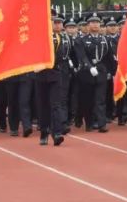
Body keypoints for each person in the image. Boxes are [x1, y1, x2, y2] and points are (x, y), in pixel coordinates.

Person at [34, 10, 72, 146]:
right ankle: (44, 132)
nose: (53, 23)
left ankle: (56, 133)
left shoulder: (59, 38)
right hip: (40, 76)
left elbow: (60, 57)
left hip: (55, 75)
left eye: (54, 20)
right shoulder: (37, 37)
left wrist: (45, 63)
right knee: (43, 106)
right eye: (50, 20)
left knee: (55, 105)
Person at [74, 13, 111, 131]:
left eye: (97, 22)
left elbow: (109, 57)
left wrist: (111, 71)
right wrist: (90, 67)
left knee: (100, 99)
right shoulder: (82, 40)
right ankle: (89, 123)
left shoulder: (104, 39)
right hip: (86, 73)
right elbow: (82, 56)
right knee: (87, 99)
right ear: (88, 25)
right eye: (92, 22)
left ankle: (102, 123)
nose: (95, 25)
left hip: (101, 72)